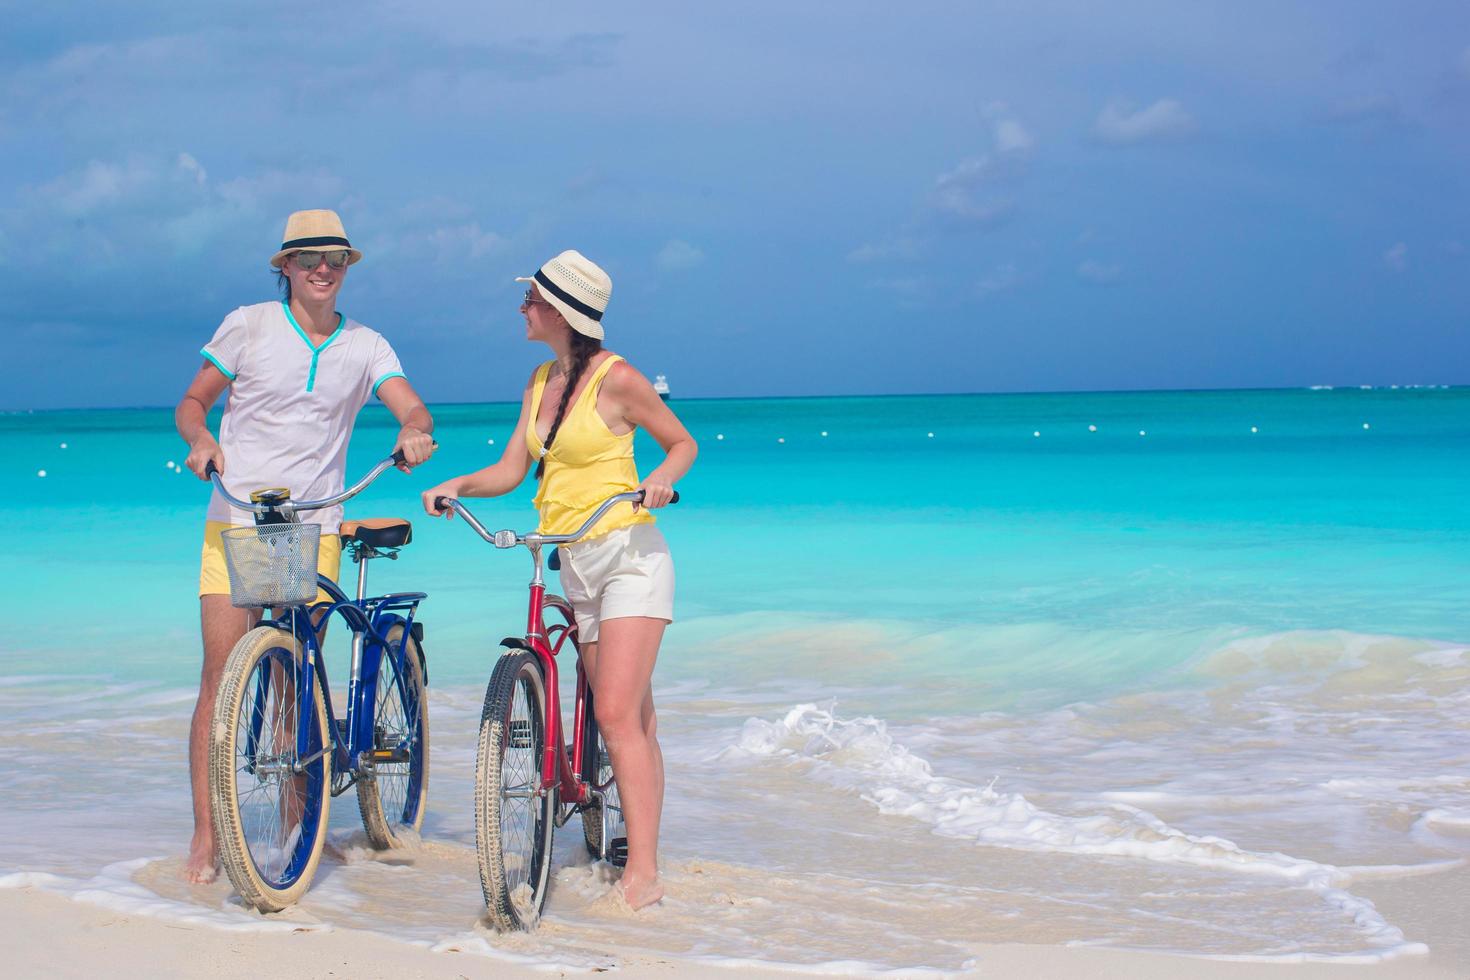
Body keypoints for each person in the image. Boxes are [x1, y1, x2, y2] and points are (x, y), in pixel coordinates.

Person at [422, 250, 695, 910]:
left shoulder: (619, 378)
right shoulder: (540, 381)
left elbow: (682, 443)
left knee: (614, 713)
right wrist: (459, 485)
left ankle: (645, 873)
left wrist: (660, 482)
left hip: (629, 557)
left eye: (532, 301)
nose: (522, 309)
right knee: (632, 712)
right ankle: (620, 824)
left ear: (562, 313)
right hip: (573, 559)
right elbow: (514, 469)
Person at [175, 209, 436, 884]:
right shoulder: (248, 325)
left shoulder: (367, 345)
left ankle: (300, 823)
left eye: (338, 258)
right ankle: (206, 836)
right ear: (284, 266)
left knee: (295, 679)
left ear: (348, 268)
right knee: (220, 677)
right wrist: (202, 442)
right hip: (238, 519)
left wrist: (415, 429)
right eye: (310, 257)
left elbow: (410, 404)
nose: (324, 267)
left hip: (313, 527)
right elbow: (193, 403)